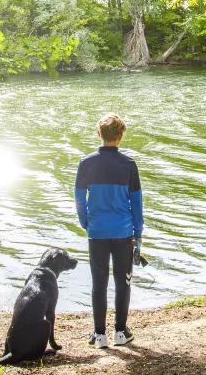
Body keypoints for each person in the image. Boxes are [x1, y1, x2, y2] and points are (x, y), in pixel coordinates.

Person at [75, 113, 143, 349]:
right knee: (123, 282)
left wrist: (86, 223)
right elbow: (137, 202)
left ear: (99, 134)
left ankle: (99, 334)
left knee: (99, 282)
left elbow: (79, 199)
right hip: (124, 232)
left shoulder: (86, 163)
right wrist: (139, 232)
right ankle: (121, 332)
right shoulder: (129, 165)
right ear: (121, 136)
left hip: (97, 232)